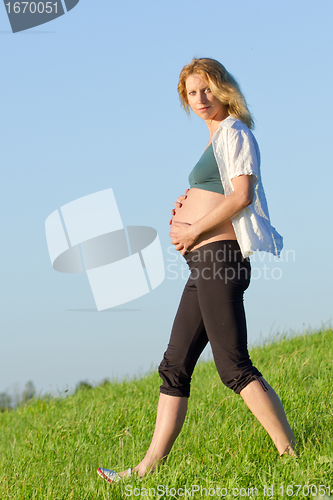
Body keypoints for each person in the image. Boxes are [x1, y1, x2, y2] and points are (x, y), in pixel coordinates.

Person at [97, 57, 296, 483]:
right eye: (192, 93)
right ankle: (146, 470)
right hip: (203, 263)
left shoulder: (235, 131)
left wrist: (194, 227)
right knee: (174, 365)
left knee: (233, 366)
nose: (201, 99)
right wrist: (187, 208)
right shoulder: (216, 140)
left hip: (220, 259)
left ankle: (291, 455)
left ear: (222, 88)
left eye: (207, 89)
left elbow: (241, 194)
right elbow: (219, 191)